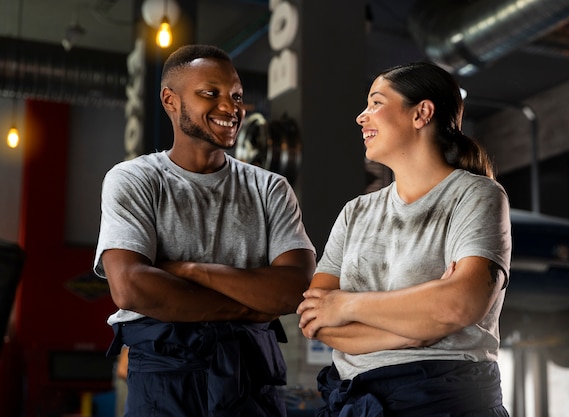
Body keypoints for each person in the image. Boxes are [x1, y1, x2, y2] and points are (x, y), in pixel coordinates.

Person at [94, 44, 316, 417]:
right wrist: (248, 307)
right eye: (210, 93)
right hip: (164, 380)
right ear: (170, 100)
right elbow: (130, 287)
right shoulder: (135, 180)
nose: (230, 107)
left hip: (251, 382)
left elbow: (295, 288)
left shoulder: (270, 189)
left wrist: (189, 270)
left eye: (237, 96)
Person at [297, 61, 512, 417]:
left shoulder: (476, 195)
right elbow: (314, 320)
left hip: (447, 399)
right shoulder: (355, 213)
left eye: (376, 103)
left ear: (421, 114)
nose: (361, 117)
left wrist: (346, 305)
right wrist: (414, 332)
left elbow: (459, 305)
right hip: (356, 399)